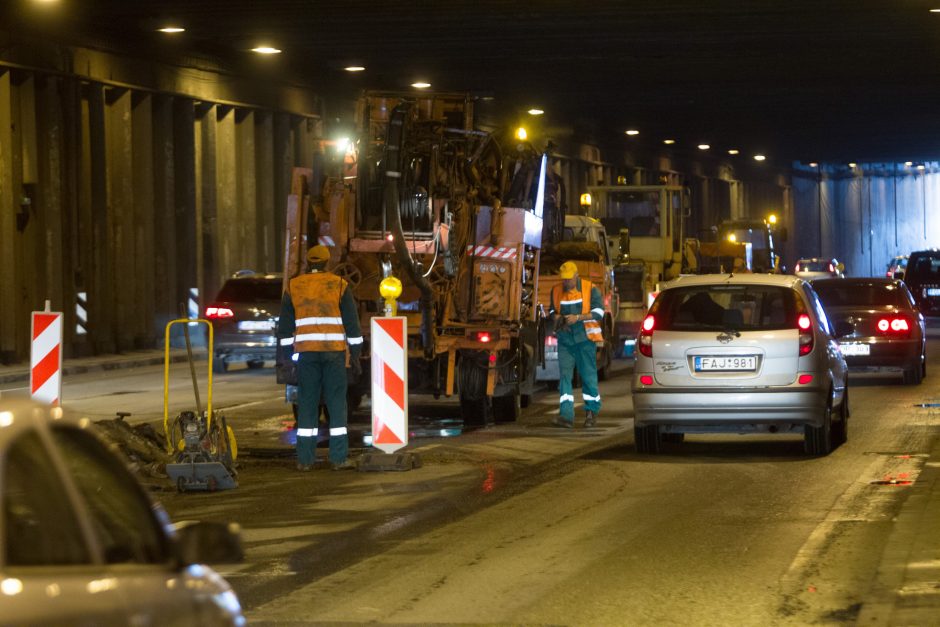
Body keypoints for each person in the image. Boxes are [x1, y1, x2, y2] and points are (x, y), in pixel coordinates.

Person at [276, 245, 363, 471]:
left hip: (306, 355)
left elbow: (284, 329)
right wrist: (355, 355)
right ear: (327, 263)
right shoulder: (339, 285)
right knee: (336, 404)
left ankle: (305, 460)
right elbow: (352, 326)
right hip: (333, 354)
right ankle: (338, 458)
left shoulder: (294, 287)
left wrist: (288, 357)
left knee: (307, 404)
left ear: (308, 262)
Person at [548, 261, 604, 428]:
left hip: (585, 340)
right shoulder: (556, 290)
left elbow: (599, 312)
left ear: (576, 276)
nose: (566, 282)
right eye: (564, 279)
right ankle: (566, 416)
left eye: (569, 279)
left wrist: (578, 317)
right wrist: (556, 317)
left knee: (588, 376)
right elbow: (552, 310)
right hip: (566, 341)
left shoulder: (590, 289)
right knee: (565, 376)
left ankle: (591, 413)